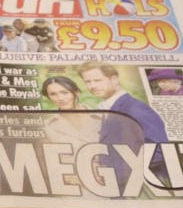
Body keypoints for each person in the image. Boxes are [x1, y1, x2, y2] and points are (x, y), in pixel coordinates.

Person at [78, 61, 168, 190]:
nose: (93, 86)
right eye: (88, 82)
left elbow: (159, 151)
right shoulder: (106, 108)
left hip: (143, 189)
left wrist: (114, 172)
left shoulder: (134, 109)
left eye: (98, 80)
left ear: (114, 79)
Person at [41, 76, 100, 152]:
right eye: (53, 94)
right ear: (49, 98)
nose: (60, 98)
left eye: (64, 92)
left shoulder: (102, 118)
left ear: (77, 92)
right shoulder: (48, 127)